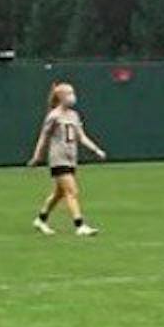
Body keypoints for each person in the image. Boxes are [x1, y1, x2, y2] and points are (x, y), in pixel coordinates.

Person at [28, 80, 107, 237]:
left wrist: (96, 150)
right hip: (58, 159)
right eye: (69, 94)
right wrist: (37, 156)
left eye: (73, 93)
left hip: (71, 158)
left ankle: (40, 220)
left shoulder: (73, 115)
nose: (73, 97)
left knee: (59, 194)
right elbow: (43, 137)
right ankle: (80, 225)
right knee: (72, 191)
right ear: (61, 96)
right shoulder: (54, 116)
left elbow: (81, 137)